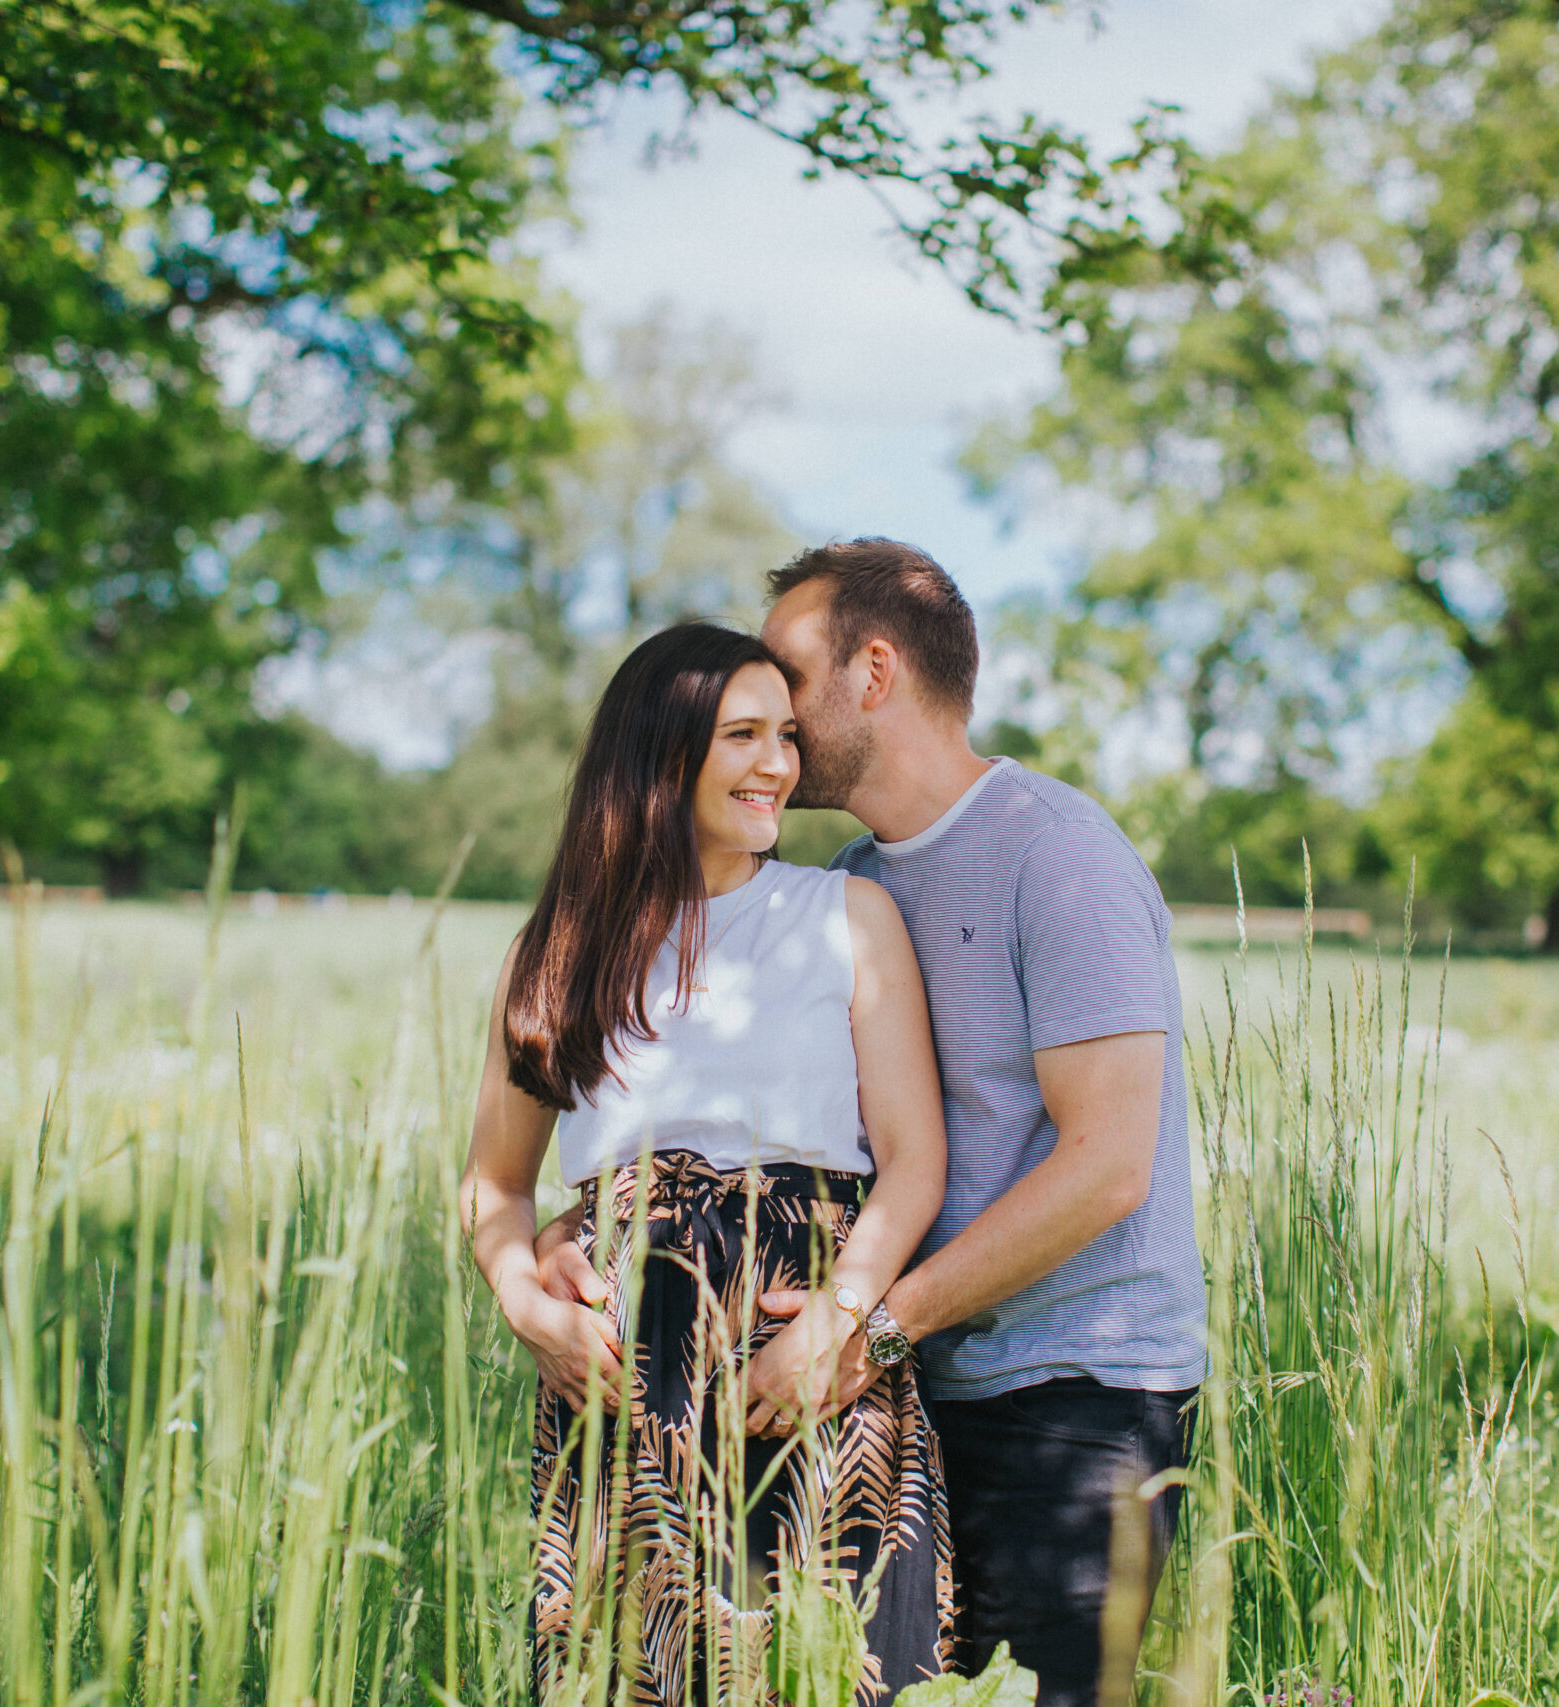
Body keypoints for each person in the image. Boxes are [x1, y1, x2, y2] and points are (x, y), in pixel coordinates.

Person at [543, 542, 1209, 1707]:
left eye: (790, 677)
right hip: (908, 1391)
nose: (770, 711)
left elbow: (1109, 1165)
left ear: (875, 671)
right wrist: (573, 1232)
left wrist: (873, 1326)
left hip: (1070, 1395)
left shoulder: (1057, 857)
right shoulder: (854, 881)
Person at [460, 621, 955, 1707]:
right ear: (659, 753)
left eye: (785, 733)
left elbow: (916, 1163)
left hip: (804, 1358)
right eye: (743, 735)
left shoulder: (846, 917)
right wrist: (521, 1301)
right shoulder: (556, 951)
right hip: (624, 1380)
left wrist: (843, 1315)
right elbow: (496, 1186)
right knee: (631, 1677)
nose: (779, 762)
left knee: (838, 1672)